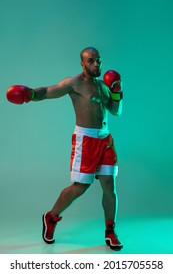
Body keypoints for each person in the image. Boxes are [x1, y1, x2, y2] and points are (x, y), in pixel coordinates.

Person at [6, 47, 123, 250]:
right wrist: (31, 94)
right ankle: (51, 218)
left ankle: (110, 231)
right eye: (91, 61)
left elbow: (116, 112)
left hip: (105, 140)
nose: (96, 64)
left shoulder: (103, 85)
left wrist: (116, 92)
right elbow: (48, 91)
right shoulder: (74, 83)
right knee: (80, 187)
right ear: (83, 64)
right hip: (85, 141)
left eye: (98, 61)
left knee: (109, 185)